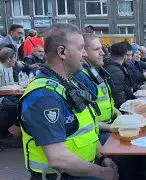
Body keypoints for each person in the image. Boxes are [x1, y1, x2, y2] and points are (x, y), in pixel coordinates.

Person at [18, 23, 118, 180]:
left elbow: (87, 129)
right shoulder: (44, 96)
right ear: (62, 52)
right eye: (81, 48)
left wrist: (103, 157)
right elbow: (58, 158)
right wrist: (100, 172)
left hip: (81, 171)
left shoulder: (69, 83)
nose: (84, 54)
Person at [72, 33, 119, 145]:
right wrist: (110, 127)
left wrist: (121, 117)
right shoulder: (80, 76)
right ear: (83, 52)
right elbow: (84, 119)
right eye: (96, 49)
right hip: (98, 133)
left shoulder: (94, 70)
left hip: (106, 126)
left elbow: (107, 102)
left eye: (101, 48)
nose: (102, 53)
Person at [103, 42, 135, 109]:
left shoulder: (113, 66)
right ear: (124, 55)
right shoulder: (116, 71)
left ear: (110, 54)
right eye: (127, 55)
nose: (129, 58)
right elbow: (118, 99)